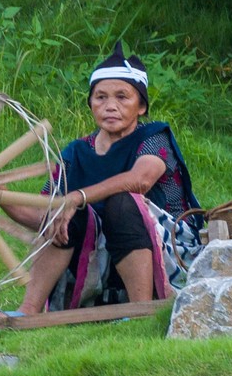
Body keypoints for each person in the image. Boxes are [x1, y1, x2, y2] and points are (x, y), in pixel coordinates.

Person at [12, 48, 205, 316]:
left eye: (122, 97)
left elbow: (140, 181)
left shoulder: (154, 138)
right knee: (64, 214)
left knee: (123, 203)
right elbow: (42, 214)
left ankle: (140, 308)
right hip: (97, 256)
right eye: (100, 97)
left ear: (142, 106)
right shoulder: (75, 152)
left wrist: (77, 196)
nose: (110, 106)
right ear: (90, 104)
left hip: (164, 246)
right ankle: (28, 309)